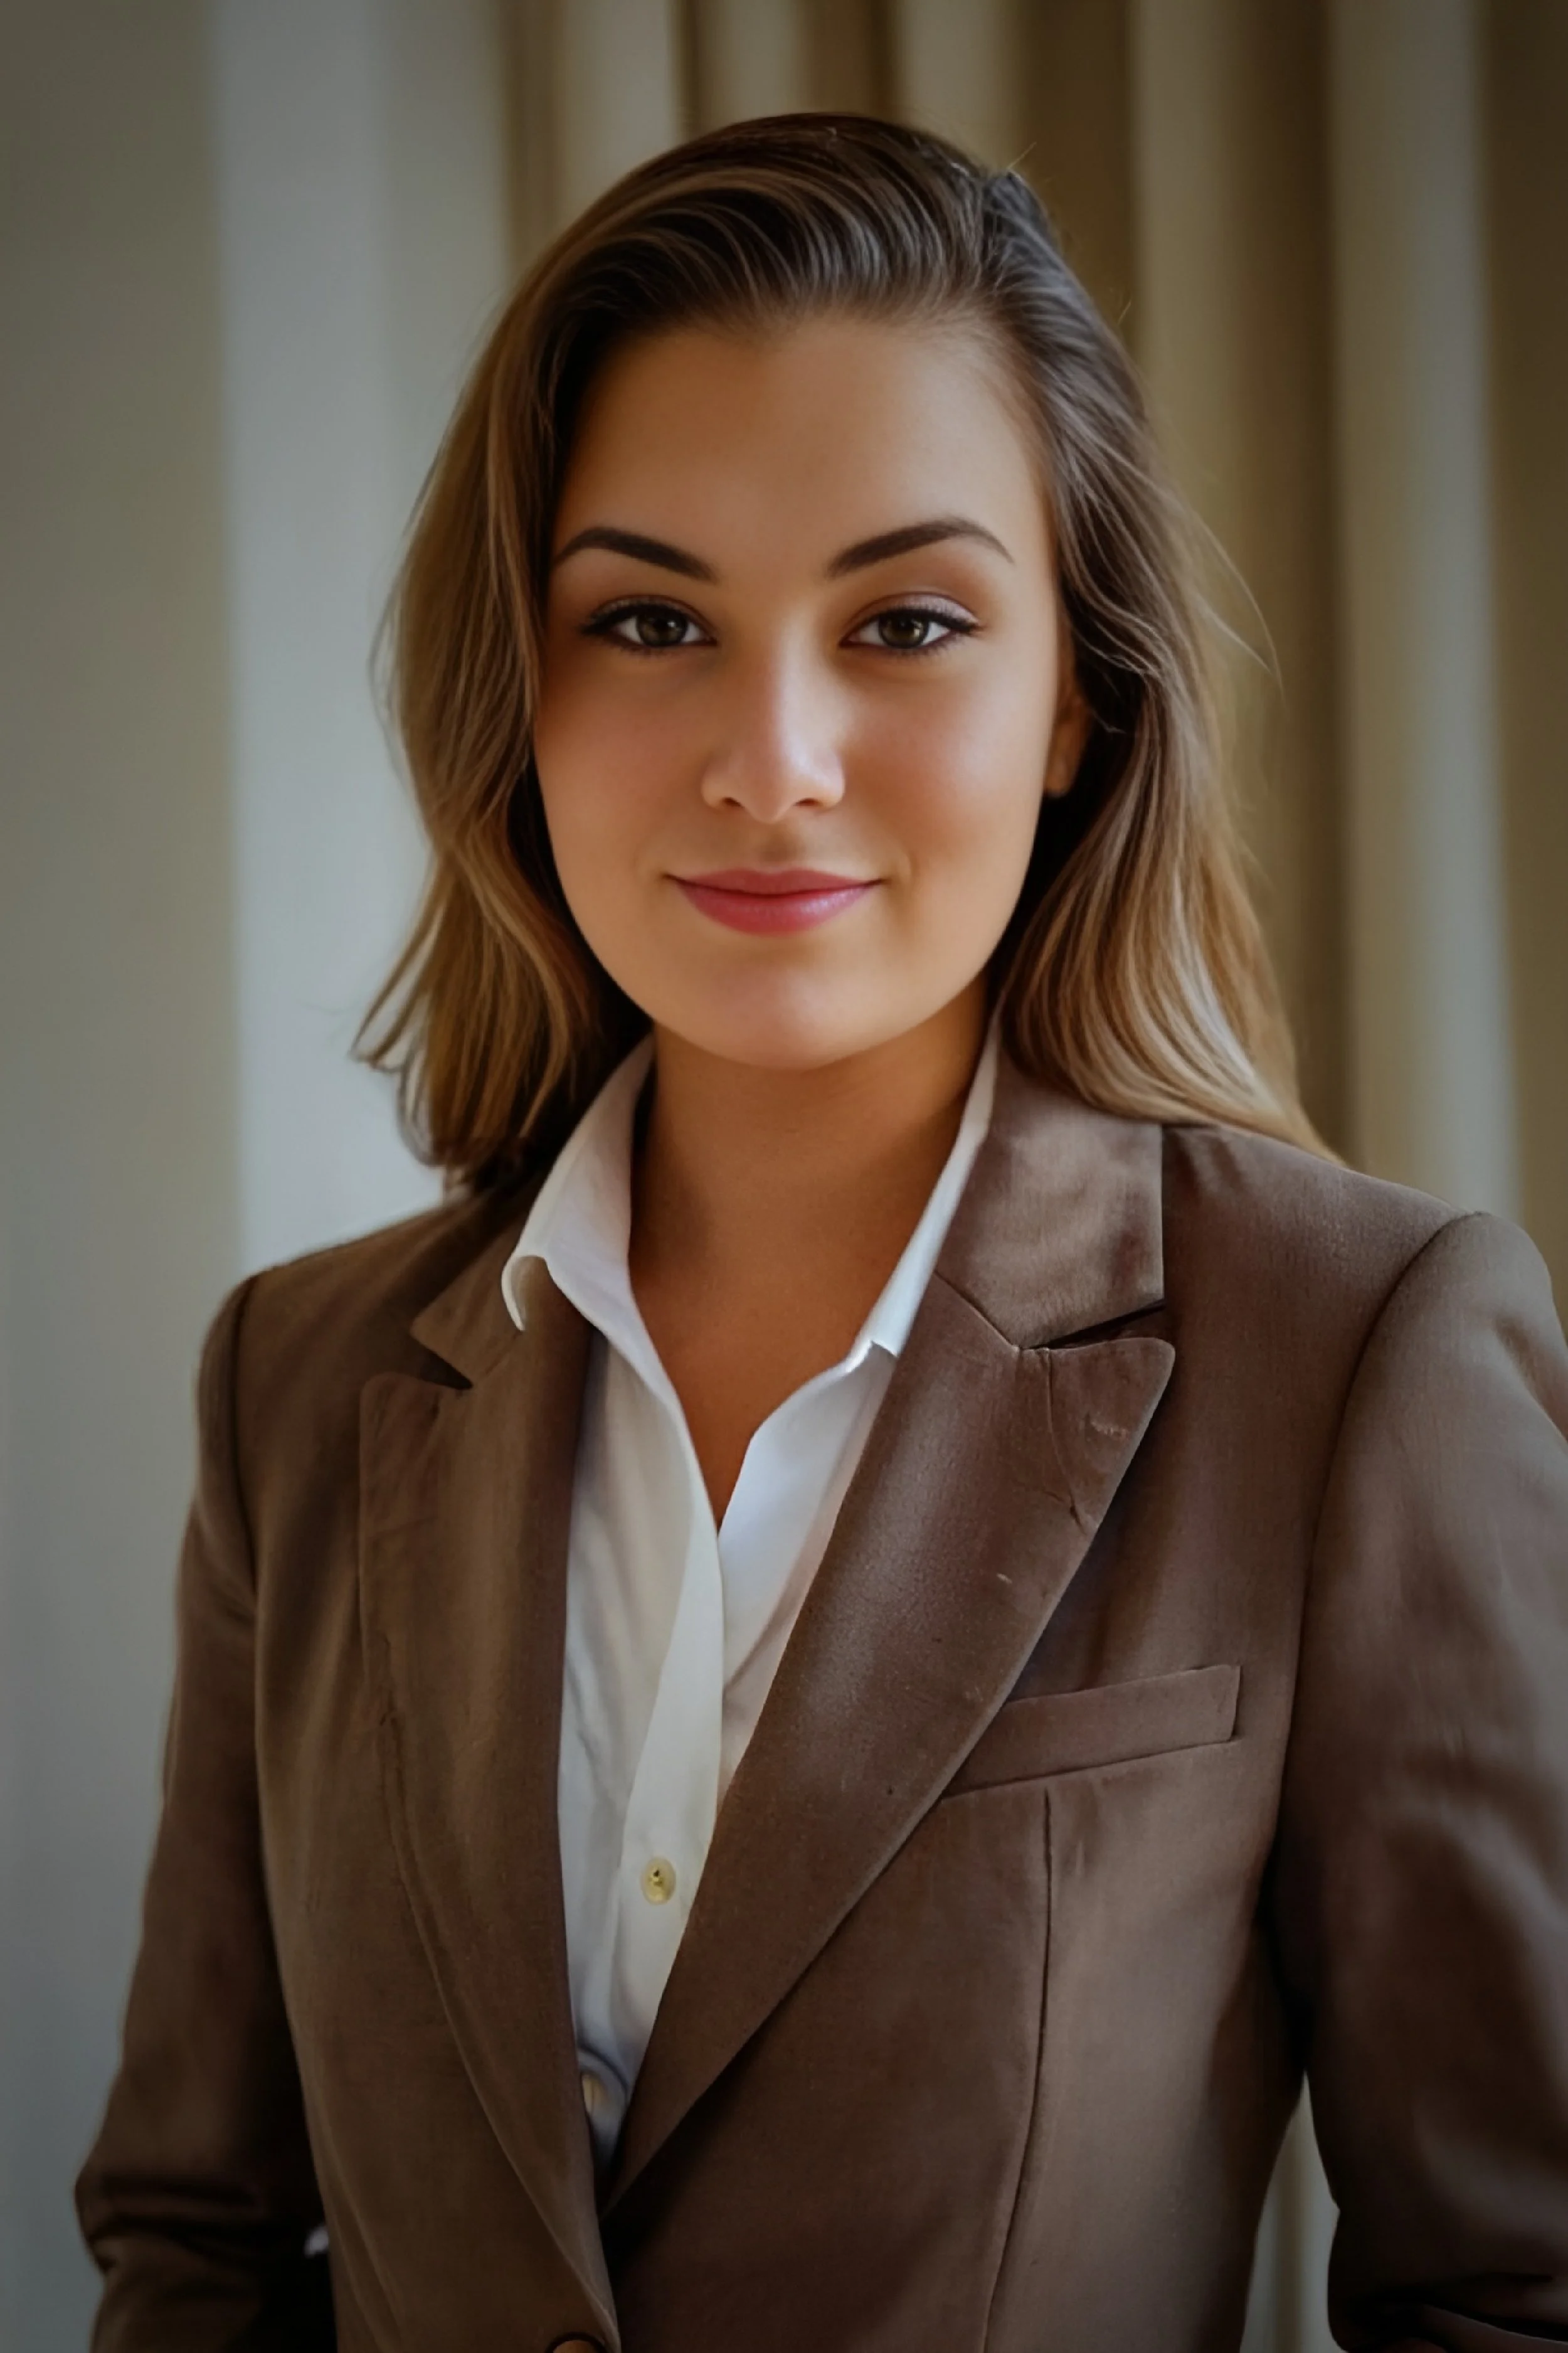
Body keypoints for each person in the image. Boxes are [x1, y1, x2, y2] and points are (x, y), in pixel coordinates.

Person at [78, 114, 1568, 2353]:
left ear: (1075, 694)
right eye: (651, 618)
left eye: (907, 621)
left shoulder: (1359, 1349)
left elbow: (1514, 2289)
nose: (771, 757)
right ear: (524, 690)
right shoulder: (294, 1385)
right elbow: (193, 2243)